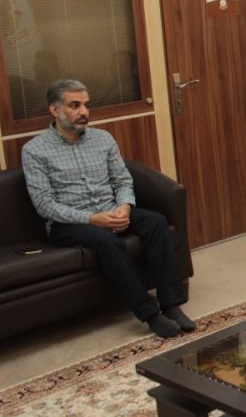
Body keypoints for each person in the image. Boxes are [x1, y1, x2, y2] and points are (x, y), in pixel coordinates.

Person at [22, 79, 194, 339]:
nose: (84, 112)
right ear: (55, 110)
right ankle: (149, 314)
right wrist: (93, 219)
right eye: (74, 105)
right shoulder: (35, 151)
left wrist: (124, 206)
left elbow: (122, 180)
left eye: (86, 105)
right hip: (69, 223)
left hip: (111, 209)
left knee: (156, 223)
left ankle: (171, 304)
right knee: (106, 241)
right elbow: (44, 204)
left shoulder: (103, 139)